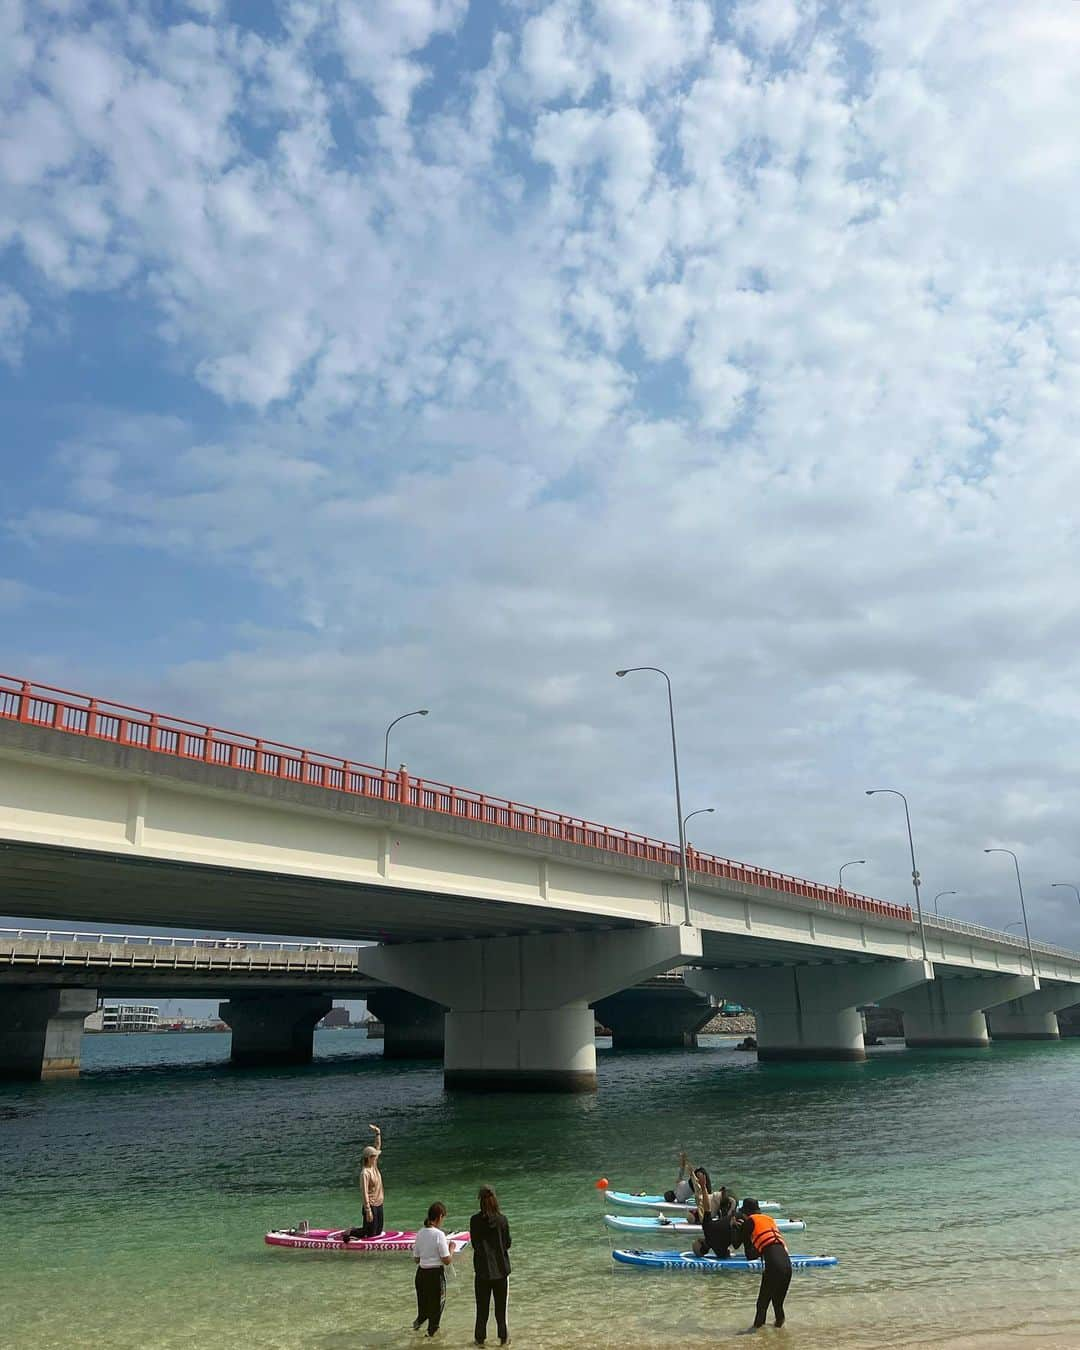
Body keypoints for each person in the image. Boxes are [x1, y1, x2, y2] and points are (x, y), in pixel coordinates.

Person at [733, 1197, 792, 1330]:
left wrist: (735, 1227)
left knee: (762, 1305)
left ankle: (756, 1337)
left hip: (774, 1267)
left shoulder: (750, 1221)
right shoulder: (769, 1220)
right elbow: (767, 1244)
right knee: (777, 1304)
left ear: (745, 1213)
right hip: (787, 1265)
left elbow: (739, 1247)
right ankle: (779, 1333)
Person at [469, 1185, 512, 1347]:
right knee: (501, 1312)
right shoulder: (502, 1220)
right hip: (501, 1271)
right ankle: (503, 1341)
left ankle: (480, 1342)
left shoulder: (474, 1220)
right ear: (495, 1200)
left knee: (482, 1311)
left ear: (480, 1201)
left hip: (482, 1271)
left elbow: (474, 1244)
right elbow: (507, 1243)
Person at [412, 1202, 453, 1338]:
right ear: (440, 1216)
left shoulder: (420, 1233)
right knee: (436, 1312)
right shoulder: (439, 1235)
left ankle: (415, 1334)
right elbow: (446, 1260)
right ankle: (431, 1340)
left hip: (421, 1275)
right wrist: (451, 1248)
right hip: (435, 1276)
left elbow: (416, 1259)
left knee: (423, 1312)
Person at [688, 1167, 737, 1259]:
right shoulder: (706, 1227)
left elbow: (727, 1254)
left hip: (728, 1200)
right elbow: (707, 1206)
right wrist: (703, 1186)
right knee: (728, 1218)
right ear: (701, 1240)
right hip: (729, 1197)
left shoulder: (718, 1251)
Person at [359, 1123, 384, 1238]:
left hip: (379, 1203)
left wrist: (378, 1132)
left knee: (378, 1232)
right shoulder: (365, 1173)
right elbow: (364, 1193)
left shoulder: (374, 1165)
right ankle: (350, 1232)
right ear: (368, 1158)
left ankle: (364, 1230)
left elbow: (378, 1147)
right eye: (374, 1156)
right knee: (369, 1233)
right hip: (371, 1205)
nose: (376, 1157)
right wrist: (368, 1210)